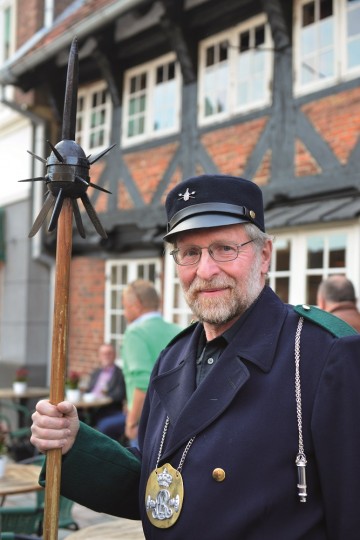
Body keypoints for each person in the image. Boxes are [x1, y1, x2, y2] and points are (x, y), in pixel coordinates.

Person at [31, 174, 360, 539]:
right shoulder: (171, 358)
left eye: (224, 248)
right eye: (190, 253)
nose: (206, 271)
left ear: (264, 255)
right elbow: (162, 484)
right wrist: (74, 443)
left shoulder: (324, 354)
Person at [121, 279, 182, 446]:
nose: (124, 313)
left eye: (125, 306)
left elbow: (142, 384)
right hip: (175, 419)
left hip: (146, 420)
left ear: (137, 305)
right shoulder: (179, 331)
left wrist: (132, 422)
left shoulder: (135, 333)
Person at [85, 342, 126, 439]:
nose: (106, 356)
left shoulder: (120, 373)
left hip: (109, 409)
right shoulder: (95, 373)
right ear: (99, 356)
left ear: (114, 355)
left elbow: (120, 394)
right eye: (103, 354)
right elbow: (89, 390)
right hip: (90, 408)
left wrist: (105, 394)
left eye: (109, 353)